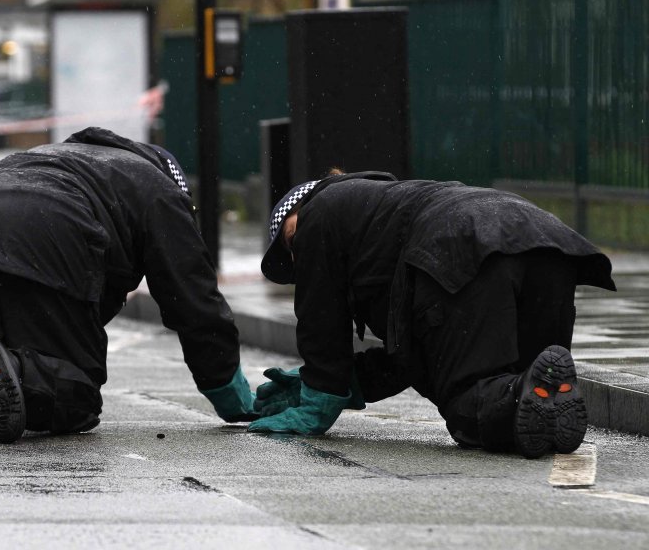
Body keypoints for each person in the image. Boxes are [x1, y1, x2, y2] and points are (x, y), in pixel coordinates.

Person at [0, 127, 257, 446]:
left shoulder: (46, 157)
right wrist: (226, 389)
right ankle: (14, 369)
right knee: (74, 399)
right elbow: (192, 297)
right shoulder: (156, 186)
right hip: (45, 230)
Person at [248, 170, 615, 458]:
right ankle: (538, 402)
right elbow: (416, 356)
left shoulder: (321, 211)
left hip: (467, 243)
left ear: (305, 204)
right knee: (535, 379)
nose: (298, 258)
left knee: (469, 404)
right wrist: (352, 382)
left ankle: (521, 396)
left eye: (292, 241)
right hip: (545, 240)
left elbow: (320, 320)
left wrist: (322, 389)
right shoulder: (384, 219)